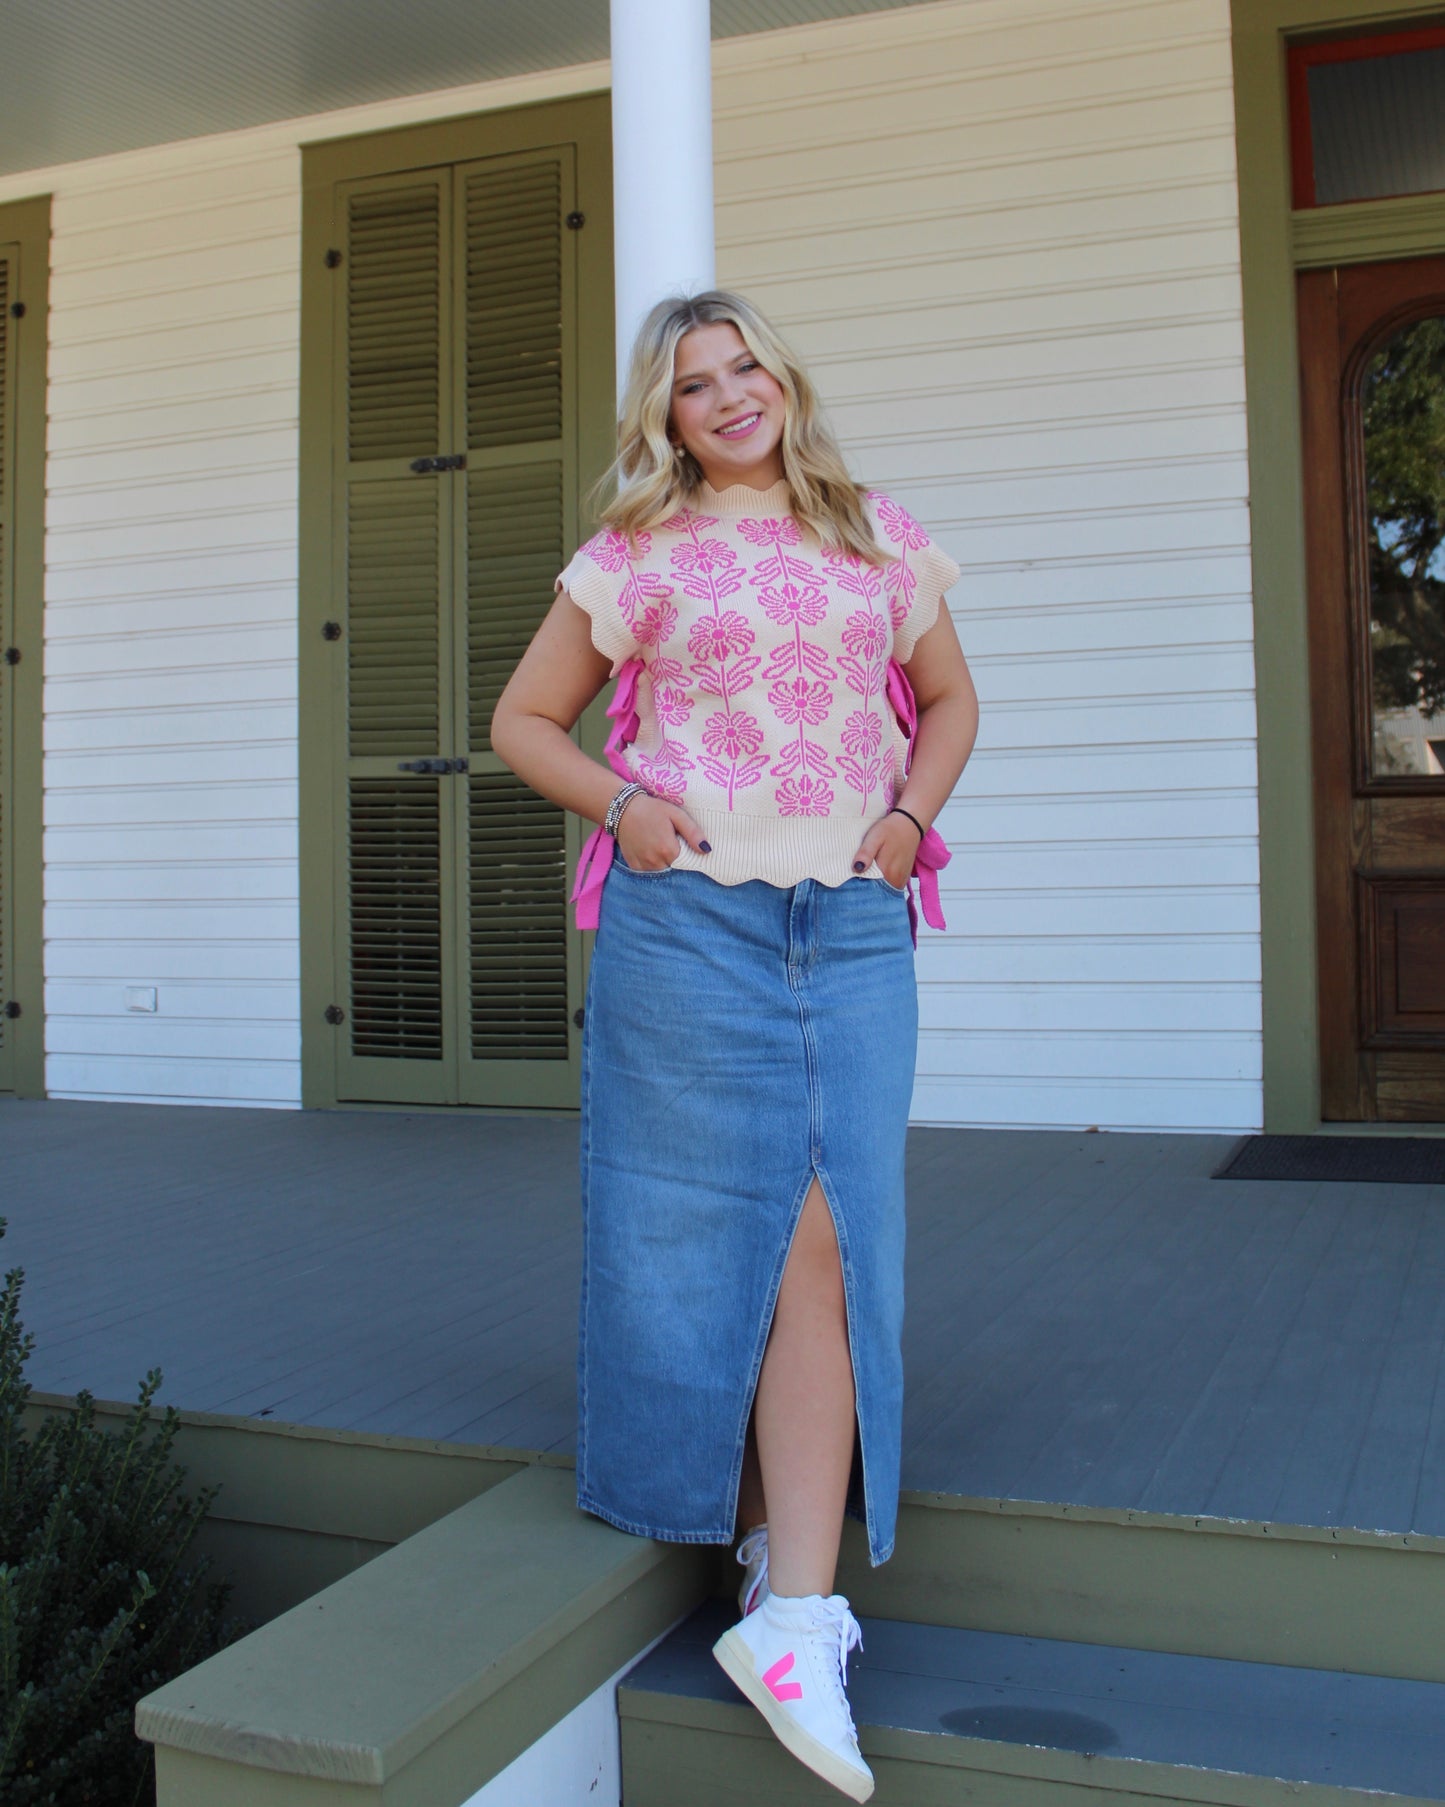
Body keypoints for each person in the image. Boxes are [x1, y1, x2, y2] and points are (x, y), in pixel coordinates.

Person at [492, 290, 978, 1801]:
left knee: (830, 1234)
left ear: (783, 378)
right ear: (666, 416)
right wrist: (622, 805)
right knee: (721, 1234)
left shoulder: (877, 533)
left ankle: (793, 1607)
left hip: (848, 924)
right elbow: (525, 720)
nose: (725, 396)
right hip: (689, 928)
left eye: (743, 366)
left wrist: (907, 821)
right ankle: (784, 1576)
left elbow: (951, 700)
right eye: (693, 384)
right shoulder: (633, 555)